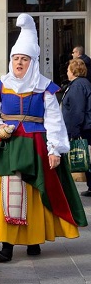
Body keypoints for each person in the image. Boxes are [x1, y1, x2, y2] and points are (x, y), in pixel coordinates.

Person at [0, 13, 87, 262]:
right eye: (15, 59)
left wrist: (55, 149)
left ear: (32, 61)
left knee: (37, 193)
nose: (19, 63)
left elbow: (54, 120)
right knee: (5, 192)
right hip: (7, 147)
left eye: (24, 59)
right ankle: (8, 244)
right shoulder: (1, 85)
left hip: (36, 147)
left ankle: (34, 239)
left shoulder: (45, 88)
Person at [61, 58, 91, 197]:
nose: (67, 72)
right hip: (84, 127)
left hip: (83, 129)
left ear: (73, 71)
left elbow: (77, 110)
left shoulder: (78, 85)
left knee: (85, 156)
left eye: (68, 70)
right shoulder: (81, 84)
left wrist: (74, 131)